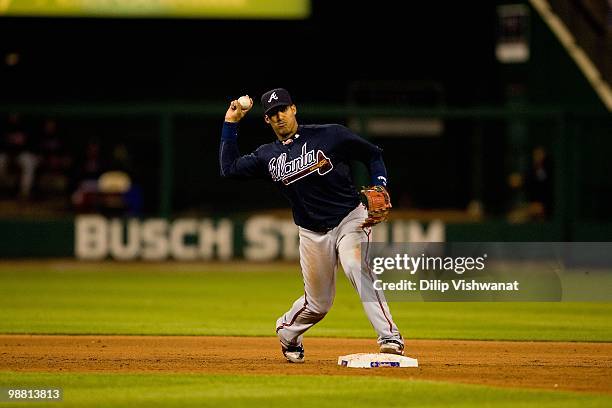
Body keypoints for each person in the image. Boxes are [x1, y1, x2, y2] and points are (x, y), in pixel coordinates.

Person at [219, 88, 403, 363]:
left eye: (282, 109)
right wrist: (231, 123)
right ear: (267, 121)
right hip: (311, 232)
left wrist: (380, 184)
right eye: (272, 113)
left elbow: (373, 154)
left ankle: (390, 337)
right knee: (318, 304)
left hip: (350, 218)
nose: (279, 116)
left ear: (294, 109)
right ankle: (287, 332)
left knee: (356, 266)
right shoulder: (267, 156)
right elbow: (229, 168)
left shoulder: (330, 135)